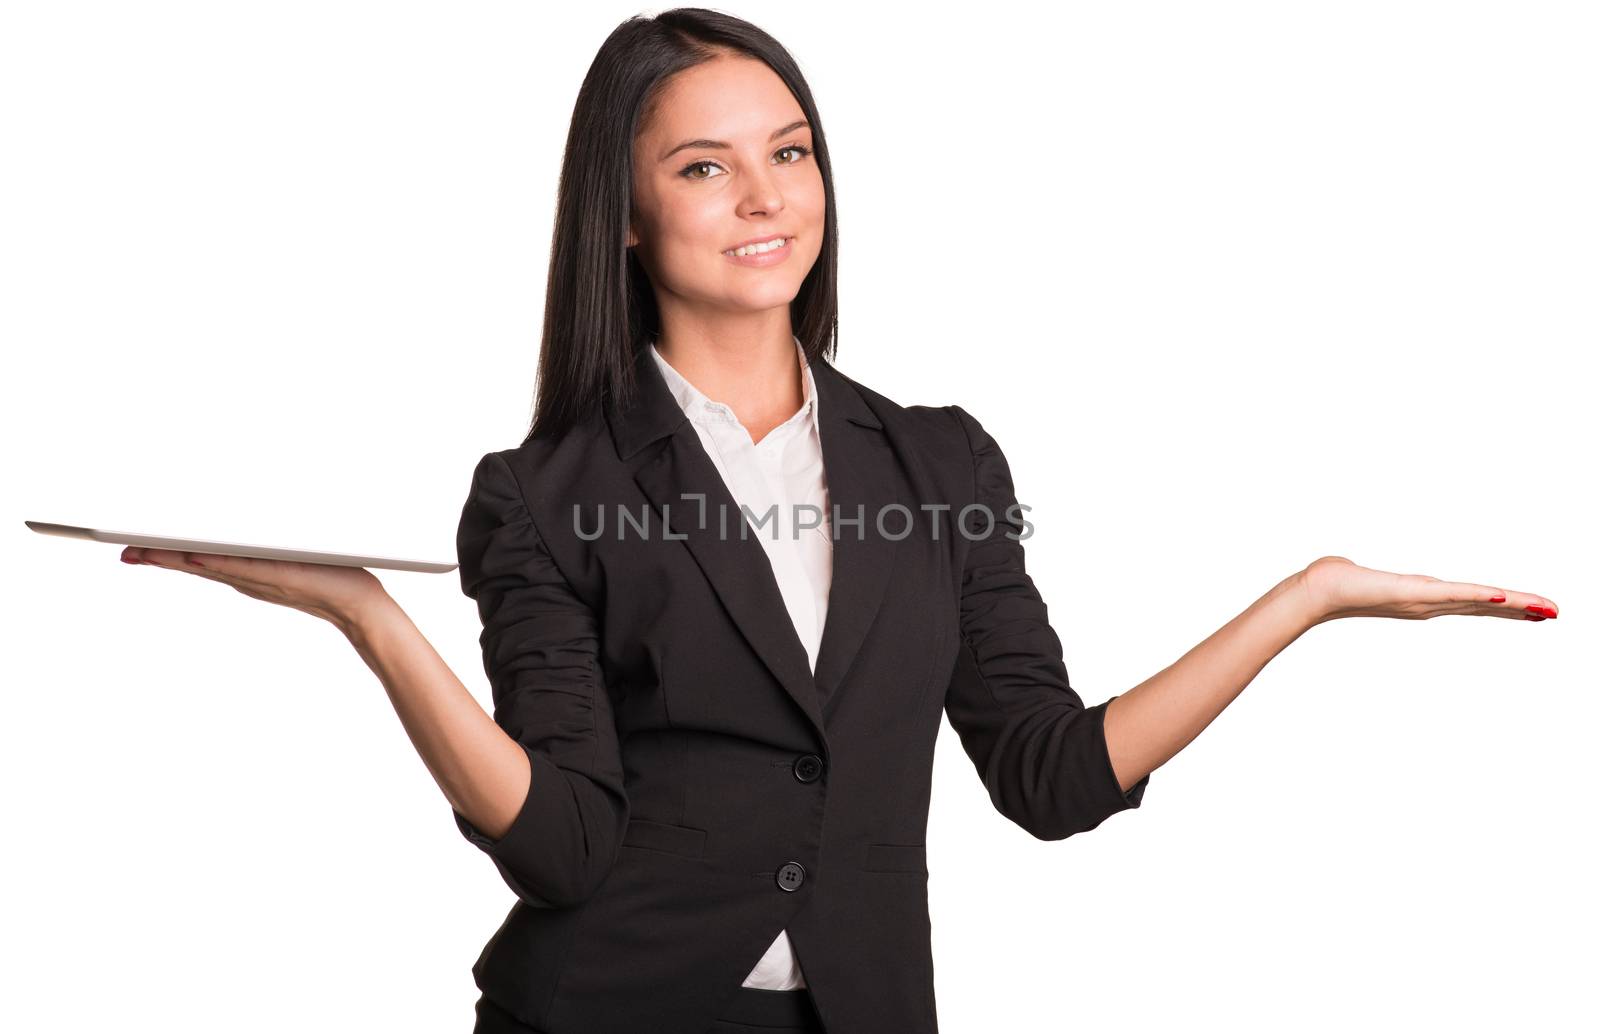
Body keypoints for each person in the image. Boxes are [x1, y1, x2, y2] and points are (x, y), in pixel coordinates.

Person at [115, 8, 1560, 1034]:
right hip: (609, 1006)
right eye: (703, 166)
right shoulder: (546, 490)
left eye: (789, 152)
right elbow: (560, 843)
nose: (764, 198)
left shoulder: (937, 462)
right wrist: (372, 620)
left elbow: (1051, 775)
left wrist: (1304, 596)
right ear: (622, 210)